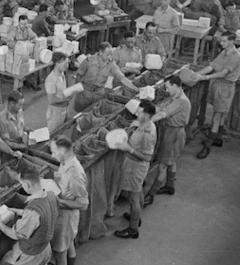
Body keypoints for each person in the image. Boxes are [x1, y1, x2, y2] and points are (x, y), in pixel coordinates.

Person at [0, 166, 59, 265]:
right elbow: (43, 214)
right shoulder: (51, 196)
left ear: (27, 185)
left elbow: (15, 234)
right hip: (45, 249)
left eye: (22, 184)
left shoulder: (32, 212)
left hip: (32, 254)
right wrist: (20, 212)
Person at [142, 75, 190, 206]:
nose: (166, 90)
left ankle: (150, 195)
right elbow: (160, 108)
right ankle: (170, 185)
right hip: (172, 131)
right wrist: (147, 105)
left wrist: (145, 122)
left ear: (175, 86)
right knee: (171, 160)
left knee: (163, 165)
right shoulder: (174, 97)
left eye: (168, 87)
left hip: (174, 134)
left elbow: (164, 114)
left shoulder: (181, 101)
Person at [112, 100, 157, 239]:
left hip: (136, 167)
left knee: (133, 198)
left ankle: (132, 229)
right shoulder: (144, 124)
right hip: (134, 165)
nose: (136, 113)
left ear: (147, 115)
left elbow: (147, 157)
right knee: (137, 193)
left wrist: (128, 149)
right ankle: (135, 218)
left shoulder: (148, 133)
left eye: (139, 112)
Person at [195, 32, 240, 159]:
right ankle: (218, 138)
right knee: (220, 114)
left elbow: (223, 73)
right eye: (221, 41)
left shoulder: (236, 56)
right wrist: (196, 74)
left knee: (216, 116)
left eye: (224, 41)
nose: (221, 43)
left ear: (232, 41)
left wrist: (204, 77)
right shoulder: (223, 52)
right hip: (217, 85)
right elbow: (211, 66)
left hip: (226, 87)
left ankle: (207, 146)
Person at [49, 135, 89, 265]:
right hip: (67, 216)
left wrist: (60, 201)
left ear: (63, 151)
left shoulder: (75, 174)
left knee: (60, 253)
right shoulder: (66, 162)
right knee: (69, 246)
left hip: (65, 217)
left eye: (53, 152)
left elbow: (84, 203)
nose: (52, 156)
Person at [75, 42, 139, 94]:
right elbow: (79, 76)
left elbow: (122, 78)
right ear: (100, 52)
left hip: (99, 92)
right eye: (108, 54)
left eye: (111, 54)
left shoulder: (111, 64)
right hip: (85, 91)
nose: (110, 57)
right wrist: (76, 92)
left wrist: (135, 89)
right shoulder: (88, 61)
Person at [0, 91, 33, 160]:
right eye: (20, 105)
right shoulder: (2, 120)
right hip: (9, 151)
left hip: (21, 144)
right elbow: (6, 143)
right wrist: (23, 146)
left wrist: (27, 129)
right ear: (11, 104)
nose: (21, 107)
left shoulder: (20, 111)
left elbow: (20, 124)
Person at [44, 52, 72, 134]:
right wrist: (66, 99)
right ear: (56, 63)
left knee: (60, 131)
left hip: (64, 108)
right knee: (53, 134)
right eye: (64, 64)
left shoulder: (62, 74)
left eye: (67, 63)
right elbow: (51, 100)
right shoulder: (51, 80)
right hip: (56, 112)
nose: (67, 66)